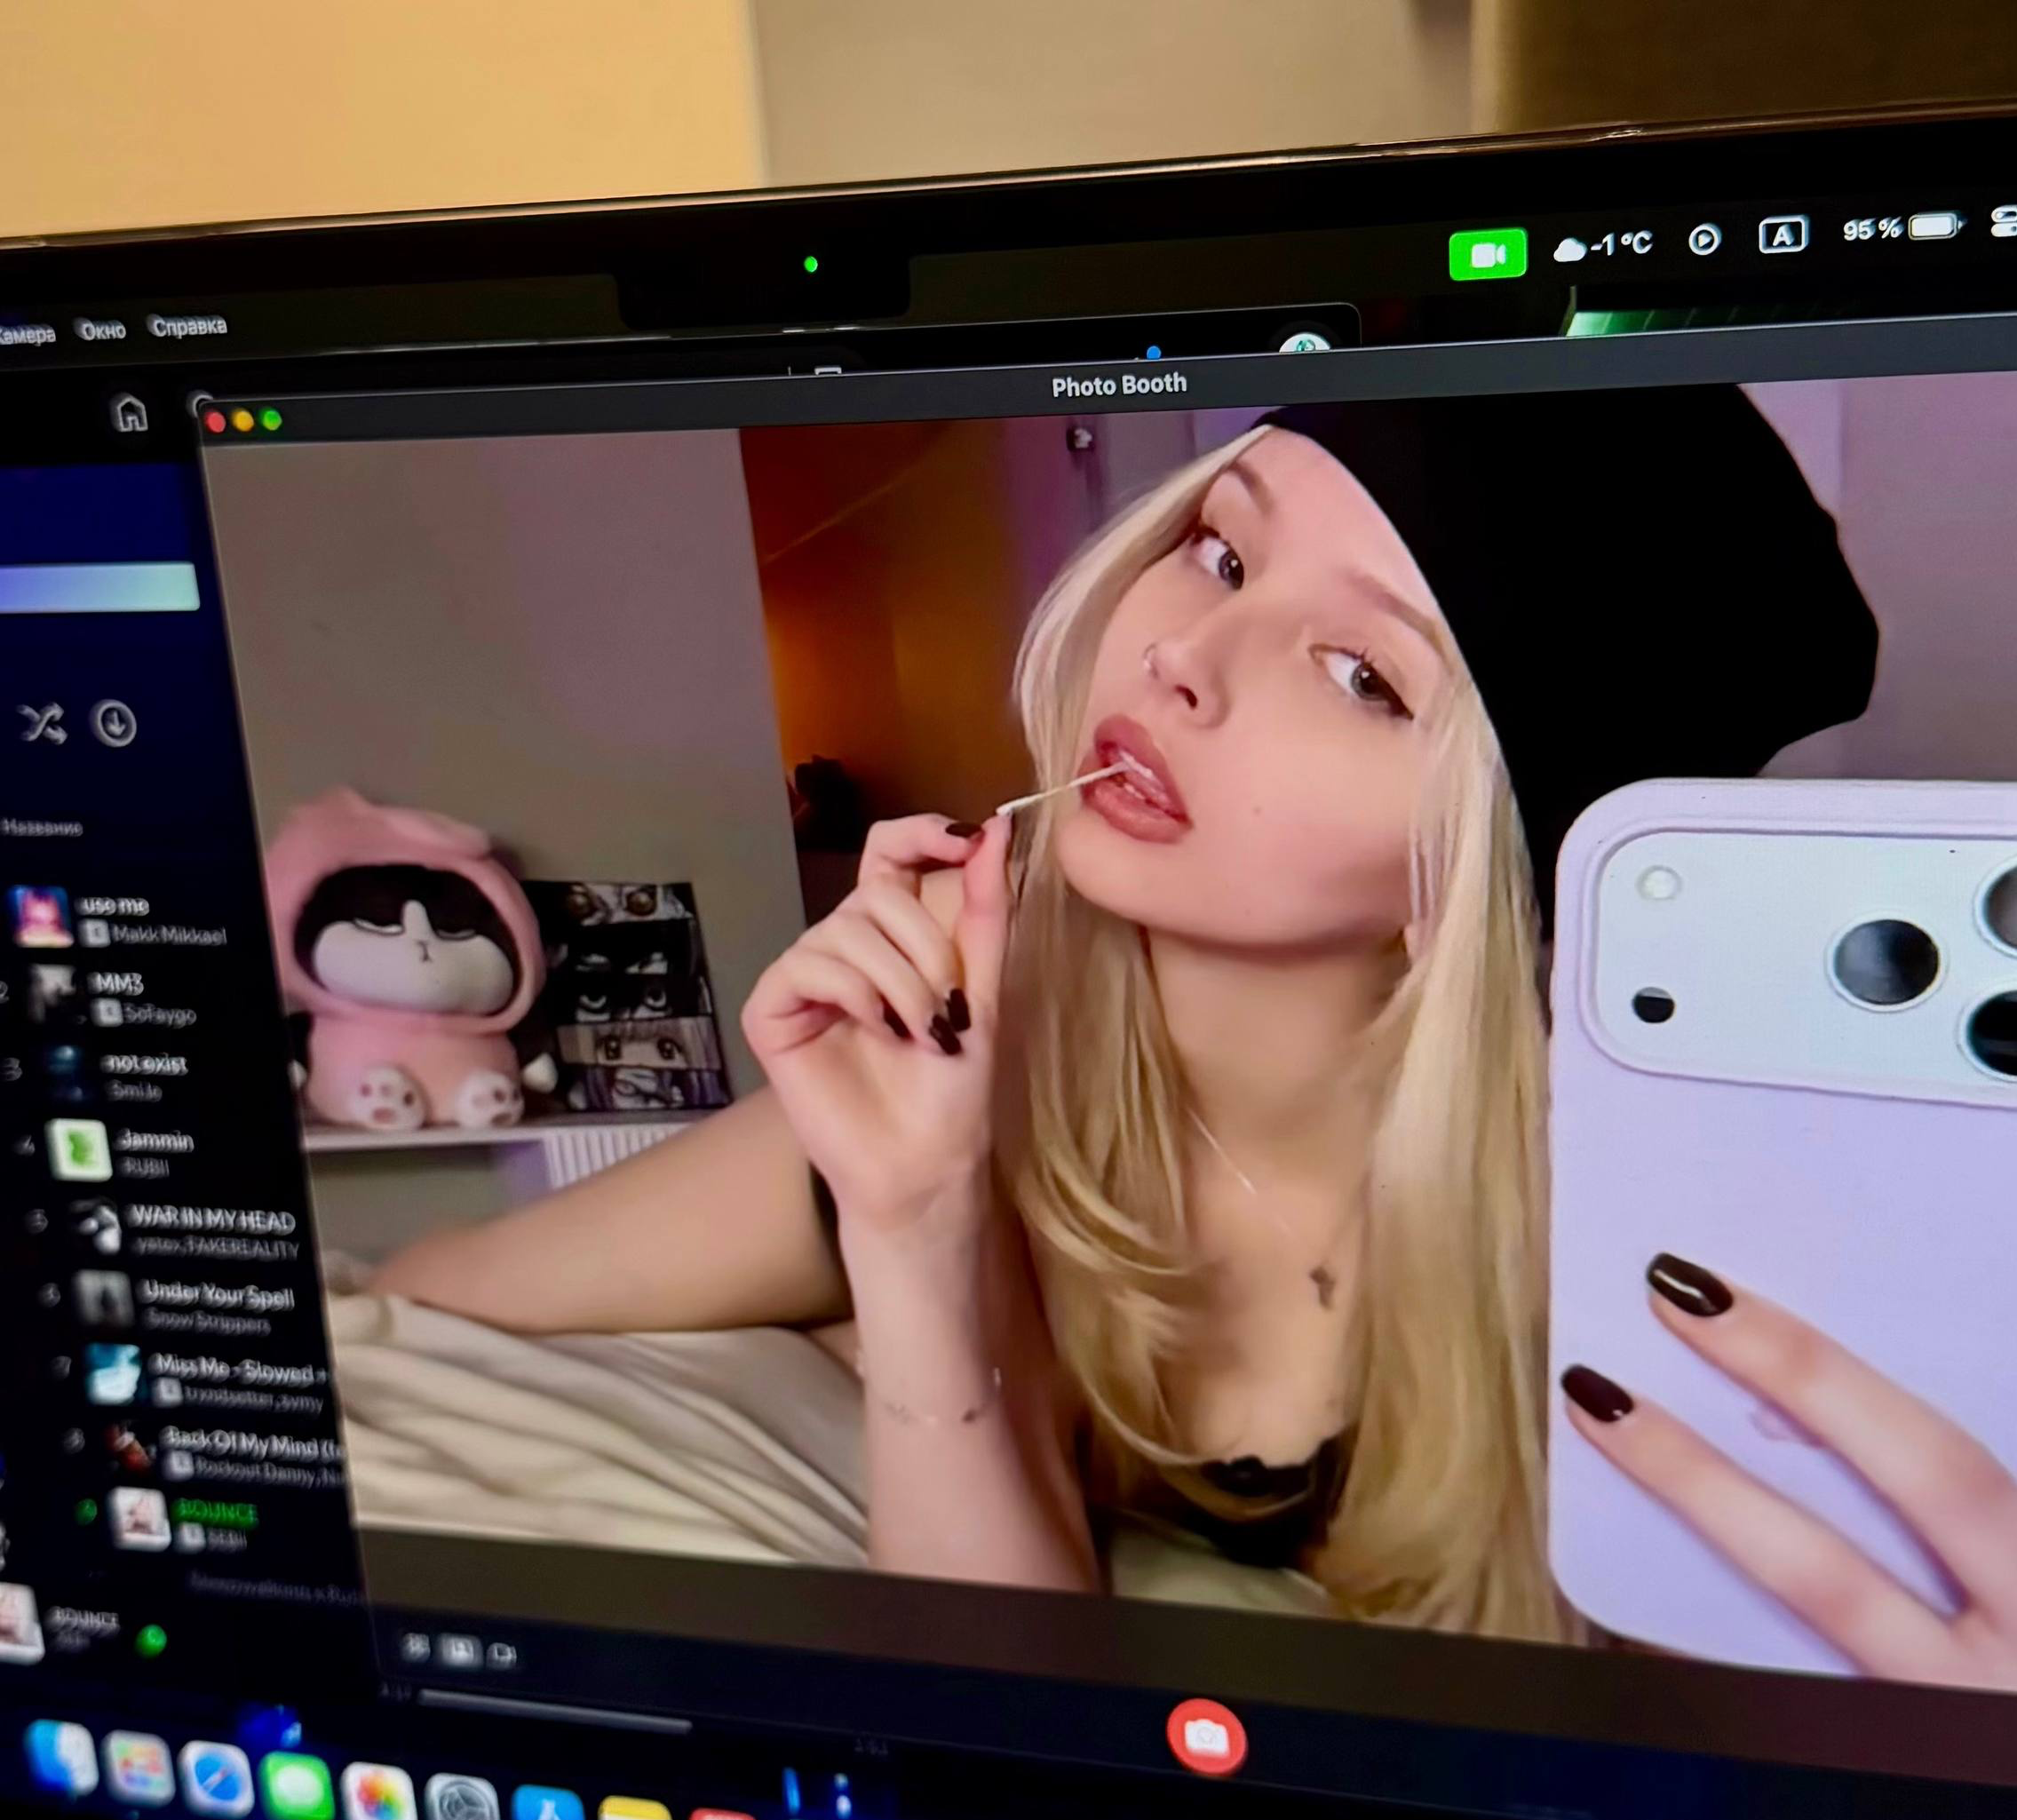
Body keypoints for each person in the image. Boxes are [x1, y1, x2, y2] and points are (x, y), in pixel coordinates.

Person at [378, 386, 2017, 1672]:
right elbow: (412, 1317)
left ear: (1494, 858)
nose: (1181, 659)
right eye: (1223, 555)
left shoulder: (1641, 1254)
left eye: (1363, 676)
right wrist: (915, 1242)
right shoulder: (971, 1069)